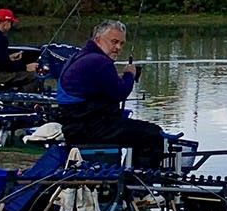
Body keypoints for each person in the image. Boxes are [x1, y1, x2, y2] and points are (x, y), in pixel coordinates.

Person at [56, 19, 165, 169]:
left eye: (121, 44)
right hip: (89, 128)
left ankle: (131, 176)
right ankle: (141, 183)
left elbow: (101, 89)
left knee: (136, 130)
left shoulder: (79, 57)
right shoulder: (99, 62)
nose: (118, 47)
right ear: (98, 39)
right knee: (152, 134)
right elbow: (120, 93)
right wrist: (129, 75)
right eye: (114, 42)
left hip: (75, 126)